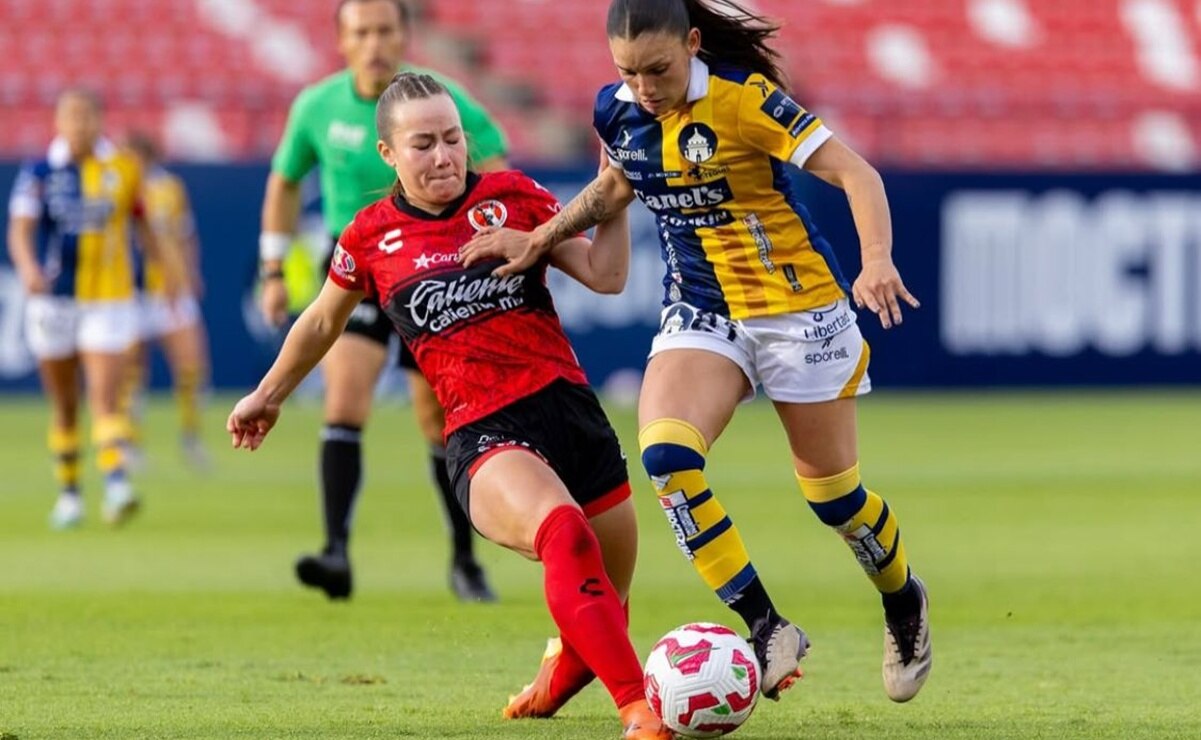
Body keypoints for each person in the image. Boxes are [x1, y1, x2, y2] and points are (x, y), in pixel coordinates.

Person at [462, 0, 932, 706]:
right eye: (628, 72)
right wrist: (541, 238)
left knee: (834, 500)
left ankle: (902, 600)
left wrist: (875, 260)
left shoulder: (745, 102)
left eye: (658, 69)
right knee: (666, 457)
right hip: (701, 313)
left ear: (690, 44)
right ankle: (766, 625)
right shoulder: (616, 110)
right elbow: (616, 185)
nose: (644, 87)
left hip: (797, 314)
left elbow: (857, 173)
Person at [228, 72, 671, 740]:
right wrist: (267, 395)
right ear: (388, 155)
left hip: (573, 415)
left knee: (603, 606)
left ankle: (555, 681)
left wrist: (613, 197)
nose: (442, 156)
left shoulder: (514, 198)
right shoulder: (369, 236)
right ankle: (639, 711)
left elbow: (606, 277)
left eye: (452, 139)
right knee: (565, 535)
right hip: (484, 434)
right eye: (423, 144)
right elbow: (321, 323)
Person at [258, 0, 509, 602]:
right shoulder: (317, 106)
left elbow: (495, 167)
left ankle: (464, 558)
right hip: (359, 268)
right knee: (344, 400)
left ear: (404, 34)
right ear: (341, 40)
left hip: (433, 268)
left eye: (384, 30)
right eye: (361, 32)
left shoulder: (442, 99)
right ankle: (336, 551)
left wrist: (493, 242)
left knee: (436, 418)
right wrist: (273, 266)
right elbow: (286, 180)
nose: (374, 43)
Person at [7, 89, 181, 529]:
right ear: (58, 122)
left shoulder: (122, 169)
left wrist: (168, 274)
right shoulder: (39, 173)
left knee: (104, 398)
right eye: (71, 117)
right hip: (55, 303)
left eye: (88, 116)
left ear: (101, 120)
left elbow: (144, 226)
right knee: (65, 405)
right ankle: (69, 496)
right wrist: (27, 267)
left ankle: (117, 484)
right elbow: (20, 230)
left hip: (110, 300)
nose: (80, 125)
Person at [121, 131, 212, 471]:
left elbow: (185, 234)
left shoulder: (169, 189)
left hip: (170, 289)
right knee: (131, 370)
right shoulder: (116, 187)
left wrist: (190, 273)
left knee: (191, 365)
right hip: (130, 291)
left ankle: (192, 439)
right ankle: (129, 443)